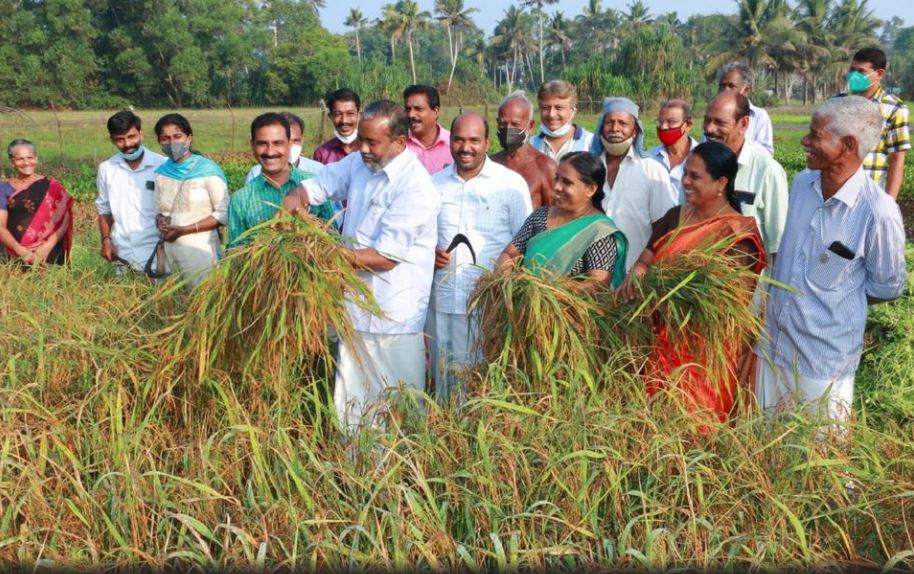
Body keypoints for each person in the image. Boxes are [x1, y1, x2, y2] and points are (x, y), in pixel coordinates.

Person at [282, 100, 440, 435]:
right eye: (362, 140)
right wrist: (294, 201)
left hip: (395, 317)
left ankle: (401, 479)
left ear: (399, 143)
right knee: (352, 407)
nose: (362, 148)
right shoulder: (358, 163)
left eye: (372, 143)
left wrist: (321, 251)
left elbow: (385, 257)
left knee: (398, 406)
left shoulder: (416, 187)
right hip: (353, 311)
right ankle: (356, 476)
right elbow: (313, 188)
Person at [756, 96, 907, 424]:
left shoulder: (877, 212)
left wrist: (835, 300)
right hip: (774, 347)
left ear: (848, 144)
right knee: (765, 448)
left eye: (816, 135)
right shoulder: (801, 185)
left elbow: (887, 286)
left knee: (818, 455)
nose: (805, 141)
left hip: (823, 362)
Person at [619, 141, 767, 420]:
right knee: (651, 420)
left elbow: (732, 302)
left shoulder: (737, 234)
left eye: (695, 176)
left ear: (721, 182)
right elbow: (645, 259)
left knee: (697, 426)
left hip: (702, 350)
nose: (685, 181)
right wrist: (637, 275)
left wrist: (666, 296)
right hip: (656, 341)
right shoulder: (676, 216)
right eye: (685, 173)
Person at [429, 112, 532, 403]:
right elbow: (420, 238)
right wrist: (429, 253)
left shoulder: (510, 184)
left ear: (487, 142)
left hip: (488, 304)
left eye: (474, 140)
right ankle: (446, 438)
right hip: (443, 302)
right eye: (459, 139)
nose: (466, 147)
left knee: (484, 383)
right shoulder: (434, 185)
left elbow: (524, 242)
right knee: (445, 380)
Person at [497, 151, 627, 289]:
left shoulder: (599, 231)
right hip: (521, 305)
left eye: (567, 182)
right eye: (557, 178)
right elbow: (509, 254)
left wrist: (544, 288)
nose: (557, 187)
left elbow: (596, 285)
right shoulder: (540, 216)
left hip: (566, 308)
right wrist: (507, 279)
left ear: (590, 189)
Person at [591, 97, 677, 272]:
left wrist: (646, 269)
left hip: (633, 277)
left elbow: (663, 228)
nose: (615, 128)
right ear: (601, 127)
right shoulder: (589, 168)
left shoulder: (651, 169)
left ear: (635, 131)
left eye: (623, 123)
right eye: (609, 122)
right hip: (590, 277)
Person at [227, 113, 335, 249]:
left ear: (290, 144)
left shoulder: (314, 185)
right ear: (252, 145)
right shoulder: (241, 200)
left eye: (278, 143)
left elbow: (333, 239)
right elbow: (235, 253)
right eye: (262, 144)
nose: (270, 151)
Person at [703, 92, 788, 262]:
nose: (710, 129)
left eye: (720, 123)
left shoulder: (767, 171)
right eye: (707, 120)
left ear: (743, 124)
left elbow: (778, 246)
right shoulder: (697, 165)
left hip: (749, 286)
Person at [153, 113, 229, 287]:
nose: (172, 143)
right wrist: (161, 222)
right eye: (165, 139)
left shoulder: (207, 170)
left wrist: (184, 229)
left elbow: (223, 214)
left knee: (203, 303)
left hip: (201, 251)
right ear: (159, 142)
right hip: (169, 252)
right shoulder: (161, 173)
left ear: (189, 138)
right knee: (171, 304)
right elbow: (157, 210)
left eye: (177, 136)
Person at [96, 110, 167, 274]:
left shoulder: (162, 166)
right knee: (127, 296)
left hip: (157, 248)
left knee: (160, 295)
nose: (127, 144)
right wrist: (106, 240)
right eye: (120, 140)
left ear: (141, 134)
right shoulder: (107, 169)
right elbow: (104, 210)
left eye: (131, 136)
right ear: (112, 140)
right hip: (122, 250)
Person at [834, 47, 910, 199]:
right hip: (837, 191)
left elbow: (897, 158)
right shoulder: (836, 103)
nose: (854, 75)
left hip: (871, 195)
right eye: (852, 70)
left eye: (861, 71)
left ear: (879, 74)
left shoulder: (894, 109)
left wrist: (889, 203)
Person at [0, 139, 72, 265]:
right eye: (20, 159)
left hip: (49, 255)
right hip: (13, 255)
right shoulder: (3, 189)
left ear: (36, 159)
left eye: (30, 157)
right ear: (12, 162)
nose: (26, 162)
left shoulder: (51, 186)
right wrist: (22, 252)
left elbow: (65, 219)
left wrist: (47, 247)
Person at [490, 90, 558, 209]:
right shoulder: (490, 164)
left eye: (515, 124)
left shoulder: (544, 166)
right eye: (503, 124)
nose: (508, 129)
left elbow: (555, 215)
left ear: (530, 126)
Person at [244, 111, 324, 182]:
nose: (270, 151)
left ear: (302, 140)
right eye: (278, 143)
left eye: (295, 141)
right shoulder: (255, 173)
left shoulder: (318, 172)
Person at [646, 99, 698, 203]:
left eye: (671, 122)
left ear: (687, 125)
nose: (663, 127)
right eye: (660, 121)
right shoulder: (650, 157)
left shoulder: (702, 157)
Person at [717, 62, 774, 155]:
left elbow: (766, 154)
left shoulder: (759, 116)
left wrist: (736, 136)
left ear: (747, 90)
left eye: (731, 86)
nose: (725, 90)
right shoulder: (713, 115)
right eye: (722, 86)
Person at [529, 80, 593, 161]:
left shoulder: (590, 143)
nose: (551, 114)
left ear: (573, 111)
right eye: (545, 108)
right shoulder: (531, 145)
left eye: (559, 108)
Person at [404, 84, 451, 174]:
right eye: (408, 109)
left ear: (435, 112)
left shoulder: (453, 144)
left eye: (418, 109)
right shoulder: (399, 145)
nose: (411, 115)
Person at [314, 88, 362, 165]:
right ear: (331, 117)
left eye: (350, 113)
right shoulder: (322, 154)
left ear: (359, 115)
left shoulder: (370, 150)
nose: (344, 121)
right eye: (338, 114)